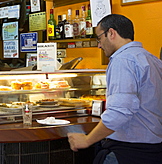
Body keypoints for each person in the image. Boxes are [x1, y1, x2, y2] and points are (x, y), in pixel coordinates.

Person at [67, 14, 162, 164]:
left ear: (111, 33)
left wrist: (86, 140)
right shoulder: (151, 58)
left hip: (129, 152)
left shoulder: (122, 60)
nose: (99, 45)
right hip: (153, 150)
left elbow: (119, 112)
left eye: (99, 38)